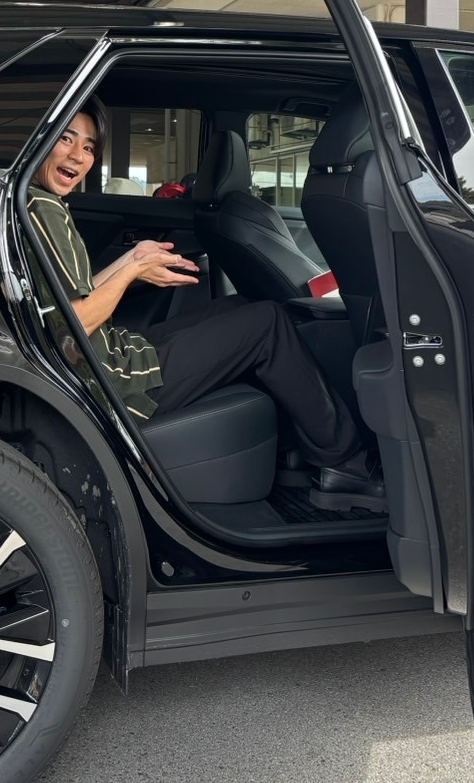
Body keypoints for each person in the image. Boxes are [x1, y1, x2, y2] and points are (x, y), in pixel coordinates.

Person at [26, 105, 384, 509]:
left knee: (241, 307)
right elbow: (74, 323)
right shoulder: (44, 210)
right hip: (111, 380)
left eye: (89, 147)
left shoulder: (37, 203)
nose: (78, 156)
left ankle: (298, 446)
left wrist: (131, 260)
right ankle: (347, 465)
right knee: (268, 322)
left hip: (108, 356)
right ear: (39, 142)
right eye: (66, 139)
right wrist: (134, 271)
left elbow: (71, 296)